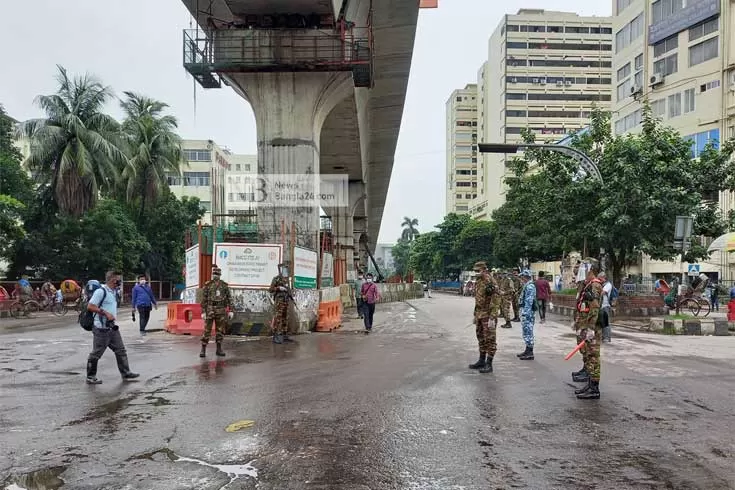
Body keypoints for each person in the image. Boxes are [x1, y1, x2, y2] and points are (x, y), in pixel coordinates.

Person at [85, 271, 139, 384]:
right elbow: (90, 306)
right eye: (118, 280)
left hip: (111, 327)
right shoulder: (101, 291)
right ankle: (90, 376)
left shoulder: (113, 292)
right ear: (112, 280)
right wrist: (105, 313)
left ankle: (126, 372)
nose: (119, 282)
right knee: (96, 353)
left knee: (120, 350)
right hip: (101, 328)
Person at [573, 258, 604, 400]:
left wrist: (591, 328)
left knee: (593, 356)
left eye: (584, 267)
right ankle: (590, 384)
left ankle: (594, 389)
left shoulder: (595, 285)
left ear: (590, 269)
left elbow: (595, 308)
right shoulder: (587, 285)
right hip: (585, 325)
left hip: (592, 328)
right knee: (588, 355)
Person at [468, 262, 500, 373]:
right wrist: (475, 315)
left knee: (490, 339)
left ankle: (489, 364)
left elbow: (496, 299)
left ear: (484, 270)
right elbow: (477, 301)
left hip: (488, 314)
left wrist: (492, 317)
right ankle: (481, 360)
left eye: (478, 271)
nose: (476, 273)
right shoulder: (478, 281)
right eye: (475, 271)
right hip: (479, 315)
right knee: (480, 337)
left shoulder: (490, 281)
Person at [200, 265, 233, 357]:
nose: (216, 275)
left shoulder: (224, 286)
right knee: (207, 330)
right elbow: (204, 300)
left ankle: (219, 349)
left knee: (220, 330)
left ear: (220, 275)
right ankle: (203, 350)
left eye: (217, 274)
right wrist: (203, 311)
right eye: (214, 274)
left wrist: (231, 310)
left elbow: (229, 298)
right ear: (212, 274)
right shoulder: (208, 285)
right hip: (210, 309)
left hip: (221, 310)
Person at [269, 263, 293, 344]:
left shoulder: (287, 280)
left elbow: (289, 290)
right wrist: (279, 288)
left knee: (285, 318)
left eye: (286, 269)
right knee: (278, 318)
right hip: (279, 301)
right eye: (284, 268)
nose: (285, 270)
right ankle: (275, 336)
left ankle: (284, 335)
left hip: (286, 301)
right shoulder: (276, 279)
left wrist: (290, 295)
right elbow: (271, 289)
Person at [516, 269, 536, 360]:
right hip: (525, 311)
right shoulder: (527, 285)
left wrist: (525, 313)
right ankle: (527, 350)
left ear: (525, 277)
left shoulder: (530, 286)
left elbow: (529, 301)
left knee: (528, 331)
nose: (521, 278)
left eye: (522, 277)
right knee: (526, 331)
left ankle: (530, 352)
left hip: (527, 312)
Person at [599, 272, 613, 342]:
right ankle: (603, 336)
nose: (599, 280)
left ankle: (607, 338)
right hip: (601, 306)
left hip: (605, 305)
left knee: (606, 322)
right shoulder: (601, 285)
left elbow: (602, 293)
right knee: (601, 322)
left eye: (600, 278)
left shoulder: (608, 285)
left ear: (604, 278)